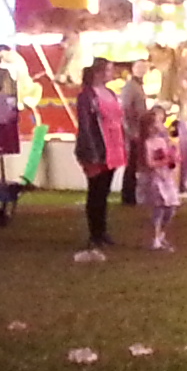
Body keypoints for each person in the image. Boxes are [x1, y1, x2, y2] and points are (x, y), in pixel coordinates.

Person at [72, 58, 122, 248]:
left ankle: (102, 231)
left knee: (104, 190)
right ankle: (95, 232)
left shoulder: (110, 93)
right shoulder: (87, 96)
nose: (112, 74)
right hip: (97, 147)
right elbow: (85, 125)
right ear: (99, 73)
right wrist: (90, 149)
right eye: (109, 71)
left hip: (112, 145)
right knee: (96, 190)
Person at [142, 106, 182, 252]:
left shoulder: (166, 141)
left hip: (167, 178)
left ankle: (161, 234)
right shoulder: (148, 143)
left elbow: (174, 160)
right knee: (158, 208)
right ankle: (155, 237)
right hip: (157, 178)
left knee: (171, 207)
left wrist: (173, 157)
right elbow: (150, 163)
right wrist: (164, 161)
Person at [118, 62, 149, 209]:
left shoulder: (137, 87)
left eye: (145, 68)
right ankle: (128, 196)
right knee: (131, 164)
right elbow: (125, 109)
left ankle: (131, 195)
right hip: (133, 131)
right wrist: (131, 130)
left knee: (134, 164)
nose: (143, 71)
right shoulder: (131, 87)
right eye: (140, 68)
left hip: (137, 130)